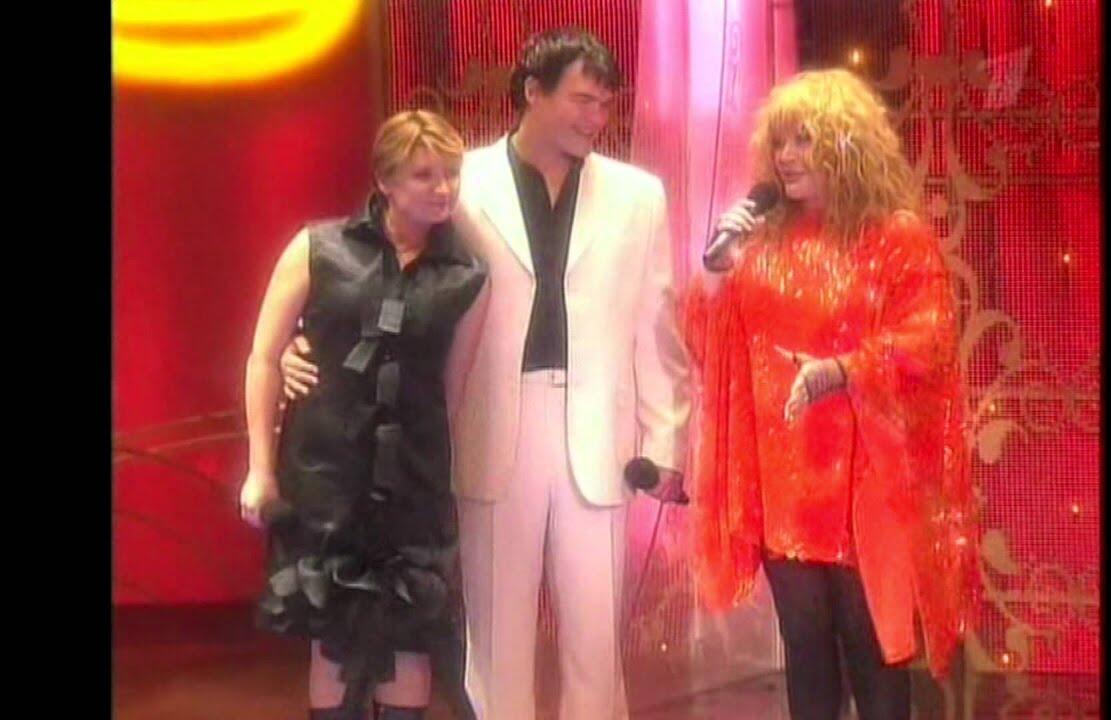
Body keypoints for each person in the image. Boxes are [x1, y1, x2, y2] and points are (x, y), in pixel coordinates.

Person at [280, 28, 691, 720]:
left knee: (596, 638)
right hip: (488, 420)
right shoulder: (460, 183)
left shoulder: (638, 195)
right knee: (496, 639)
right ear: (533, 93)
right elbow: (375, 264)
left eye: (605, 104)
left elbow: (657, 324)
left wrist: (666, 439)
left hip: (601, 431)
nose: (596, 117)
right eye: (582, 100)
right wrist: (302, 341)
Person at [682, 68, 977, 720]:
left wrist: (841, 370)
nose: (786, 157)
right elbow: (709, 345)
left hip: (865, 485)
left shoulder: (895, 236)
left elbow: (928, 340)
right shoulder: (764, 241)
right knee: (806, 647)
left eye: (805, 140)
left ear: (848, 146)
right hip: (784, 485)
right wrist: (716, 270)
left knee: (872, 649)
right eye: (780, 142)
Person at [239, 110, 486, 720]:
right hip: (326, 474)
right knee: (333, 636)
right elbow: (263, 358)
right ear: (385, 181)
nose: (443, 188)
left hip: (414, 484)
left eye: (451, 173)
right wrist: (260, 469)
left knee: (409, 636)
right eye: (424, 175)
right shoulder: (317, 248)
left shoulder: (466, 276)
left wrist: (441, 482)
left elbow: (452, 391)